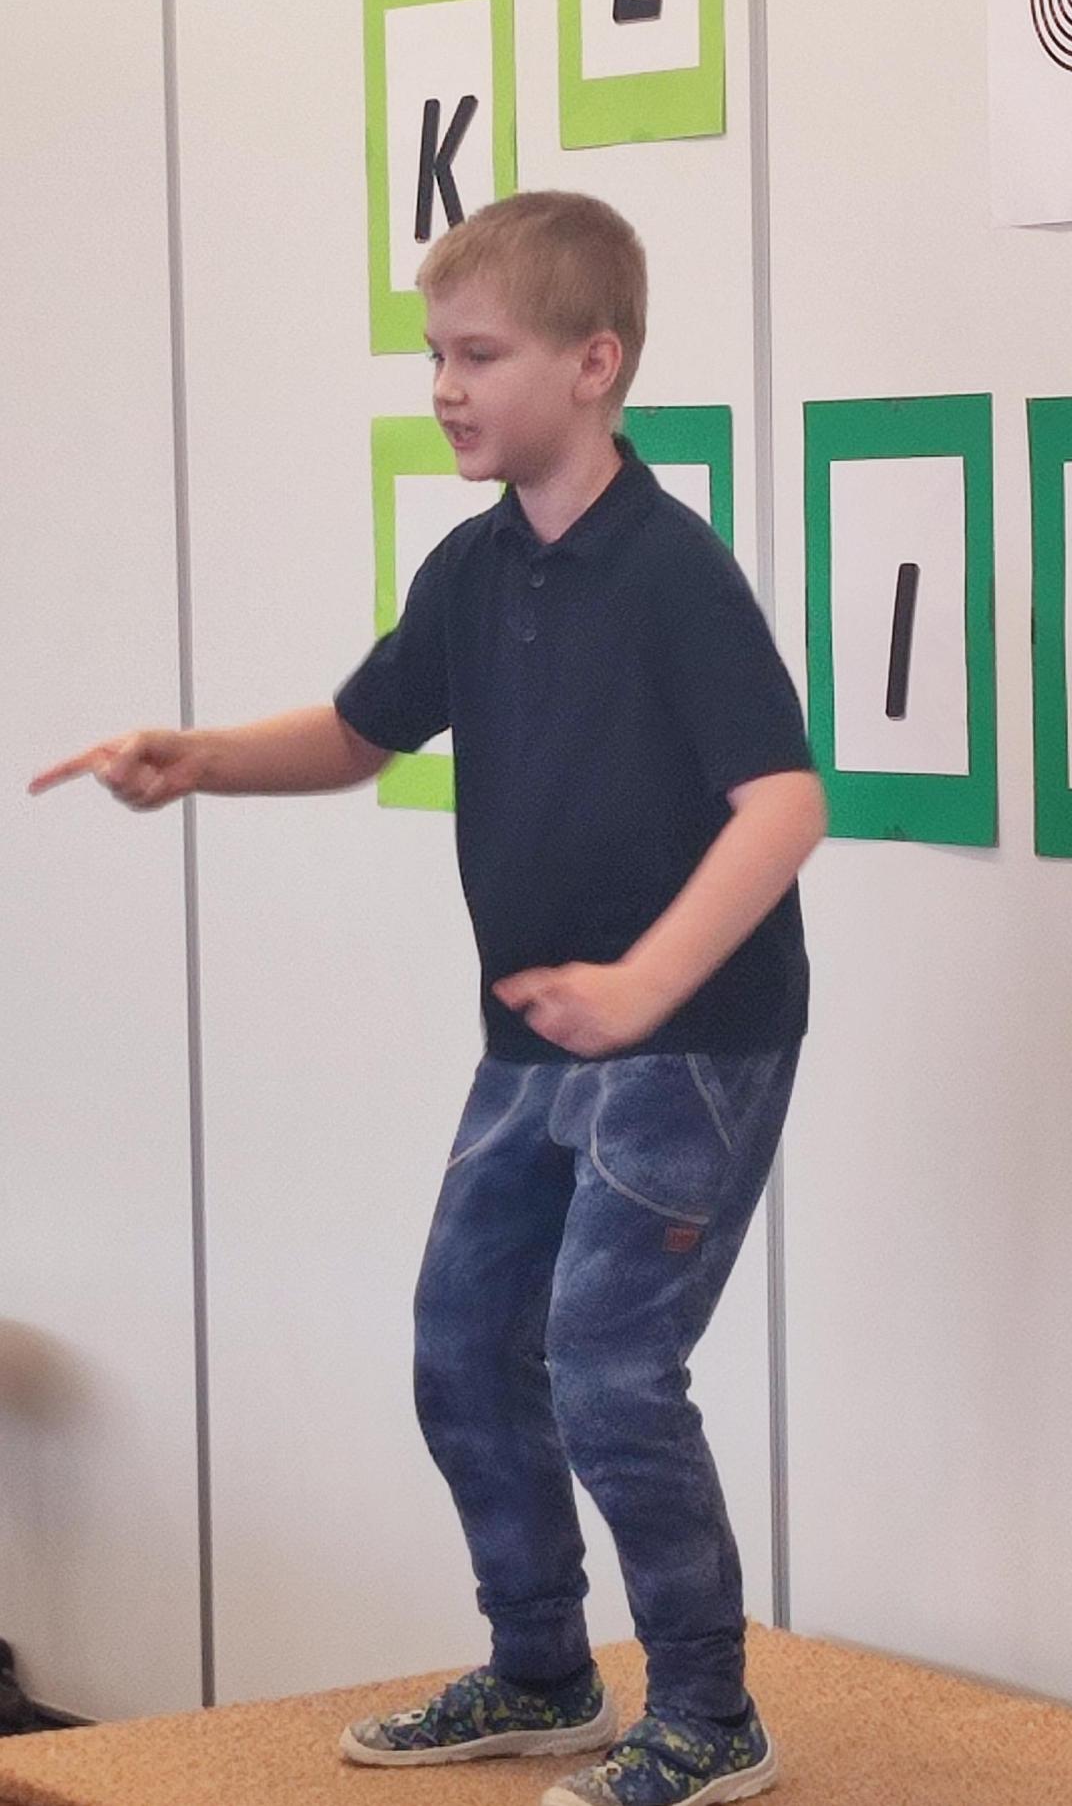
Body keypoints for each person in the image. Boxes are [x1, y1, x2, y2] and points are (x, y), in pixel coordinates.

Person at [28, 191, 826, 1806]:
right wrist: (197, 759)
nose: (446, 387)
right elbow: (359, 730)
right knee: (464, 1345)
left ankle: (709, 1711)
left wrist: (644, 984)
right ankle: (541, 1670)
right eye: (434, 356)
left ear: (595, 364)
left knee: (609, 1369)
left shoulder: (672, 573)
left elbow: (786, 805)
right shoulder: (474, 570)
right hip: (536, 1038)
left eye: (479, 355)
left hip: (694, 1047)